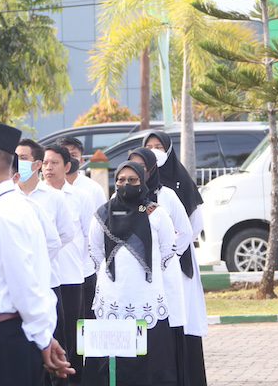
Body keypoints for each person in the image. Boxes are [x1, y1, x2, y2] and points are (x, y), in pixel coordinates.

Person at [0, 121, 71, 386]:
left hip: (2, 345)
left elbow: (27, 286)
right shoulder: (0, 209)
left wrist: (42, 337)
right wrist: (43, 336)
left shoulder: (5, 214)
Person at [85, 162, 181, 386]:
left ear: (142, 182)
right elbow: (95, 249)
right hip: (113, 297)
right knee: (112, 363)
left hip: (146, 296)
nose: (125, 184)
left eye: (132, 180)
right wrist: (109, 273)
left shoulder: (155, 213)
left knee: (149, 362)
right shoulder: (102, 213)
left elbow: (168, 249)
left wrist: (148, 274)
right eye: (120, 180)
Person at [144, 130, 207, 386]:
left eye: (159, 145)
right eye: (149, 146)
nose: (154, 150)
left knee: (181, 316)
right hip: (148, 267)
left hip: (177, 262)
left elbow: (194, 224)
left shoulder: (179, 184)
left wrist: (170, 253)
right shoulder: (136, 188)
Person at [127, 147, 191, 383]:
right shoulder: (119, 200)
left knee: (164, 336)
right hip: (134, 282)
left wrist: (165, 258)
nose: (136, 174)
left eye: (142, 167)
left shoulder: (165, 197)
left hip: (163, 277)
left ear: (152, 169)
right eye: (131, 167)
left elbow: (185, 231)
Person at [14, 139, 70, 385]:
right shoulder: (7, 194)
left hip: (46, 282)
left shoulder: (53, 197)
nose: (19, 162)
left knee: (53, 344)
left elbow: (63, 235)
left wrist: (35, 264)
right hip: (17, 289)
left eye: (24, 157)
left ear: (37, 164)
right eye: (16, 156)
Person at [42, 144, 87, 383]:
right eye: (45, 163)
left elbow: (90, 235)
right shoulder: (35, 197)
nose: (49, 167)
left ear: (67, 166)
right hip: (47, 277)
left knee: (72, 336)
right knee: (50, 334)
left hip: (72, 275)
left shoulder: (80, 196)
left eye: (54, 163)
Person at [58, 136, 107, 324]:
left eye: (74, 155)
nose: (71, 159)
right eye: (66, 155)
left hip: (86, 268)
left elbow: (97, 230)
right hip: (59, 271)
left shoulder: (91, 189)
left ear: (82, 159)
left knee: (86, 322)